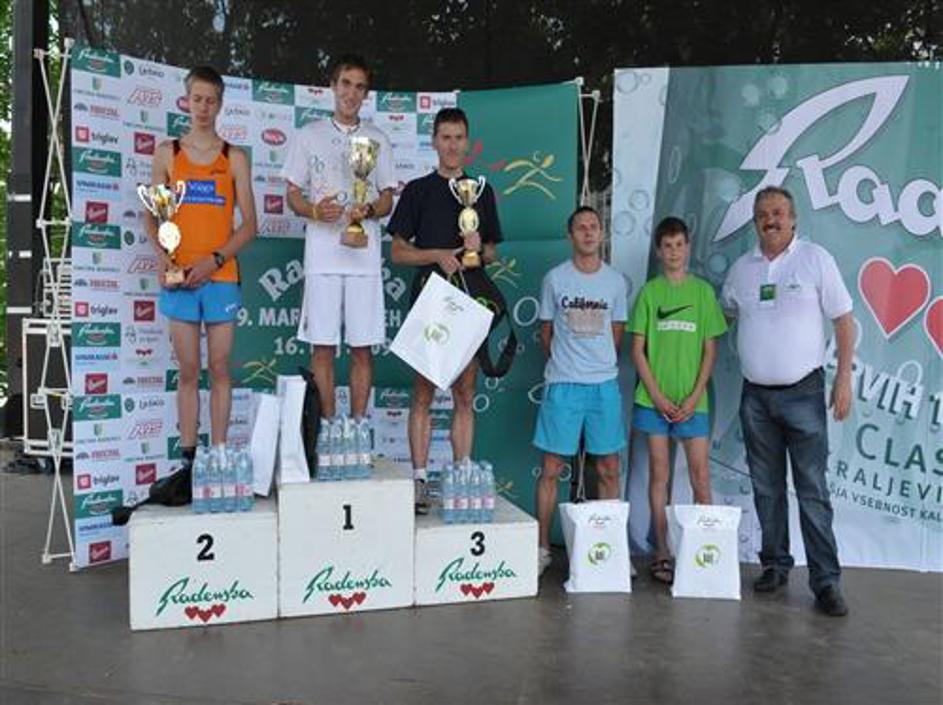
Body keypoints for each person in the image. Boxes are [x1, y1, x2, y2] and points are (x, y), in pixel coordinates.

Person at [721, 186, 854, 617]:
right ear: (755, 222)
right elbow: (725, 315)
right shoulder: (741, 270)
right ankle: (775, 565)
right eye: (763, 213)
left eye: (778, 212)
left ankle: (826, 581)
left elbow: (844, 321)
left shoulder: (816, 259)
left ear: (793, 218)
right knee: (766, 488)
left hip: (804, 392)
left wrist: (843, 379)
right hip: (755, 397)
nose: (770, 219)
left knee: (812, 490)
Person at [388, 107, 503, 513]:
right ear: (434, 141)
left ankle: (460, 477)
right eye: (446, 137)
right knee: (423, 392)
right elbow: (398, 252)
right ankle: (419, 481)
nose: (453, 146)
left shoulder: (482, 190)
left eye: (459, 138)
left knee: (465, 393)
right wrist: (437, 255)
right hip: (431, 299)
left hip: (469, 299)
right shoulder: (418, 191)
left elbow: (491, 251)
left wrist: (478, 248)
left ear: (467, 143)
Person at [151, 65, 257, 468]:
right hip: (179, 279)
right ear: (186, 100)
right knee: (189, 370)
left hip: (221, 277)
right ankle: (189, 461)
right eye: (197, 99)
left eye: (210, 100)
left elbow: (250, 226)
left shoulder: (234, 157)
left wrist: (213, 261)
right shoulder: (167, 153)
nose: (203, 107)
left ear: (220, 104)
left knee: (220, 368)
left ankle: (221, 456)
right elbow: (153, 216)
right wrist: (163, 258)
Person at [281, 54, 395, 425]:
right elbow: (292, 194)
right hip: (322, 256)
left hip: (363, 259)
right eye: (346, 84)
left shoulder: (378, 138)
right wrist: (314, 211)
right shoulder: (309, 134)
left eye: (360, 87)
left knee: (362, 349)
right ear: (332, 87)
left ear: (366, 93)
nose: (351, 93)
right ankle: (329, 428)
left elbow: (387, 199)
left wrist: (369, 210)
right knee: (323, 348)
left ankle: (358, 427)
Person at [629, 216, 727, 585]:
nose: (673, 252)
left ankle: (707, 551)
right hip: (653, 402)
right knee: (660, 475)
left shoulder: (702, 293)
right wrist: (656, 395)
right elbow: (637, 351)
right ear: (659, 251)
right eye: (667, 246)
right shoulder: (650, 293)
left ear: (688, 248)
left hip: (692, 403)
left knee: (701, 476)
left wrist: (695, 395)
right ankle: (662, 552)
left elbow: (710, 352)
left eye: (679, 245)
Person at [532, 206, 627, 576]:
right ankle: (542, 548)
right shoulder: (554, 279)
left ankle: (611, 551)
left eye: (594, 227)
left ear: (601, 234)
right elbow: (546, 333)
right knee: (551, 468)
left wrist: (595, 364)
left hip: (603, 386)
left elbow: (616, 335)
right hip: (564, 385)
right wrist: (568, 366)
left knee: (608, 468)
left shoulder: (615, 282)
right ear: (570, 235)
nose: (588, 233)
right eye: (581, 228)